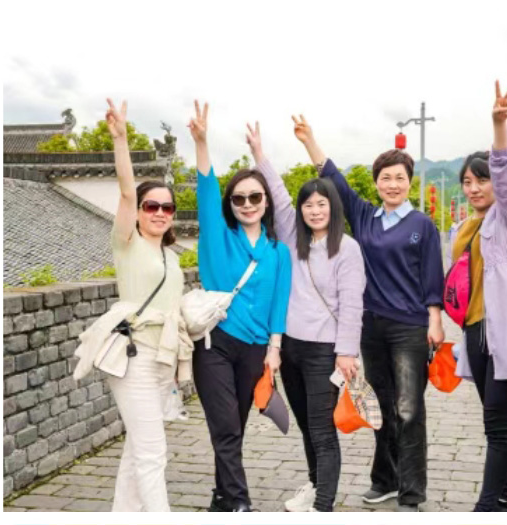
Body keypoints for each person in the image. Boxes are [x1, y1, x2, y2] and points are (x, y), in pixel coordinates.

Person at [292, 116, 445, 512]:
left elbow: (432, 274)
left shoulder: (422, 225)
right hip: (371, 327)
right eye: (385, 178)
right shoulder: (364, 217)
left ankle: (412, 492)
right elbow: (333, 179)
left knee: (409, 409)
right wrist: (310, 140)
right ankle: (385, 480)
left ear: (409, 181)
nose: (392, 184)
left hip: (409, 327)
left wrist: (435, 319)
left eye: (399, 178)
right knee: (381, 406)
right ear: (376, 183)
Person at [243, 122, 366, 512]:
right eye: (308, 205)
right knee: (306, 426)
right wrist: (258, 154)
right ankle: (315, 486)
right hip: (290, 348)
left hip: (324, 351)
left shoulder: (347, 249)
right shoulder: (292, 238)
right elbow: (278, 195)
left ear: (333, 207)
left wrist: (346, 352)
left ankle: (323, 506)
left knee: (322, 429)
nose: (314, 210)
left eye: (321, 204)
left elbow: (352, 305)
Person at [188, 101, 292, 512]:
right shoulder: (219, 237)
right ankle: (238, 503)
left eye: (255, 197)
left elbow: (279, 302)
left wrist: (274, 349)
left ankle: (220, 497)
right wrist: (202, 142)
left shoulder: (278, 252)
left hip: (255, 349)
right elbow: (206, 190)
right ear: (230, 204)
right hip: (214, 343)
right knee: (226, 426)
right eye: (239, 198)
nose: (247, 203)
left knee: (236, 428)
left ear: (266, 201)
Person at [448, 80, 507, 512]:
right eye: (467, 181)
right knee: (499, 422)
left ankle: (488, 506)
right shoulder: (460, 229)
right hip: (474, 332)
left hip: (505, 332)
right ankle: (504, 500)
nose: (474, 188)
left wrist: (499, 125)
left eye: (481, 179)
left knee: (496, 422)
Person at [103, 99, 189, 512]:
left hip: (162, 361)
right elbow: (124, 190)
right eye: (151, 206)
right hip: (133, 358)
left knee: (136, 451)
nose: (159, 212)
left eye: (166, 207)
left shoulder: (171, 256)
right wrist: (121, 140)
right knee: (153, 453)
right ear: (138, 211)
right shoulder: (127, 244)